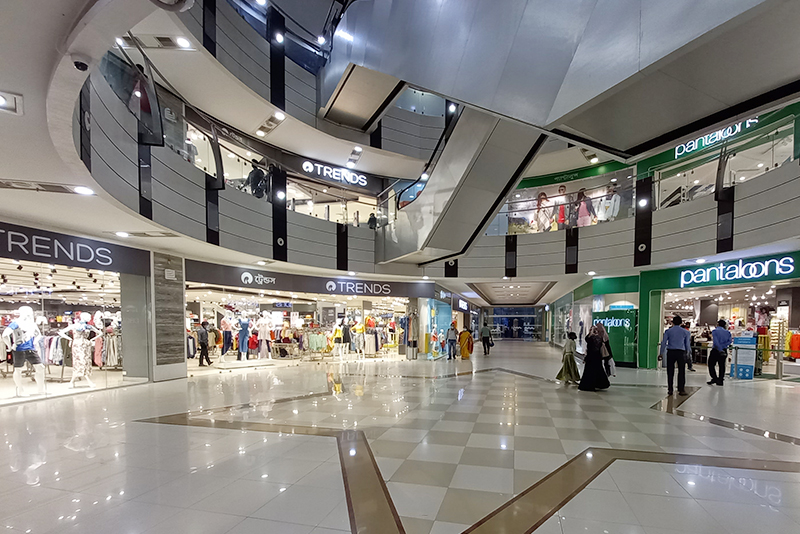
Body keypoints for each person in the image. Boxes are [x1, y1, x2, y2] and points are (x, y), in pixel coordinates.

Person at [661, 315, 692, 396]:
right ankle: (681, 389)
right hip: (681, 352)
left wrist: (661, 353)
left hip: (671, 352)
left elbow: (663, 343)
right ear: (681, 322)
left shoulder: (668, 331)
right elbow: (687, 344)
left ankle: (670, 389)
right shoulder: (686, 332)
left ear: (672, 322)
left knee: (670, 371)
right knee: (681, 371)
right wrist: (688, 353)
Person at [579, 325, 610, 391]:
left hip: (592, 357)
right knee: (597, 370)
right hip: (596, 357)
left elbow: (589, 340)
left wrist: (591, 333)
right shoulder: (599, 338)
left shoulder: (595, 338)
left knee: (590, 371)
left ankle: (590, 385)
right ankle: (598, 384)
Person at [708, 319, 732, 386]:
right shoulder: (728, 332)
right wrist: (723, 347)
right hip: (724, 350)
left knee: (711, 364)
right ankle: (720, 380)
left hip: (716, 350)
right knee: (722, 365)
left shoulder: (715, 331)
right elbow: (729, 341)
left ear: (718, 324)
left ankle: (714, 378)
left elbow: (715, 342)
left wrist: (719, 348)